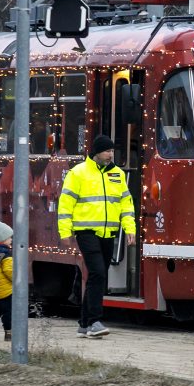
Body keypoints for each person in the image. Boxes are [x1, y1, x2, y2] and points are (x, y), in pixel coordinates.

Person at [57, 134, 136, 339]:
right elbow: (65, 204)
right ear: (96, 152)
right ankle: (94, 322)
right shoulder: (78, 173)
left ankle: (83, 324)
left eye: (112, 151)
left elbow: (126, 205)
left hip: (108, 232)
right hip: (86, 232)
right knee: (98, 273)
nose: (111, 154)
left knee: (96, 275)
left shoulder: (117, 174)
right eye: (107, 151)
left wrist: (130, 229)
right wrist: (65, 232)